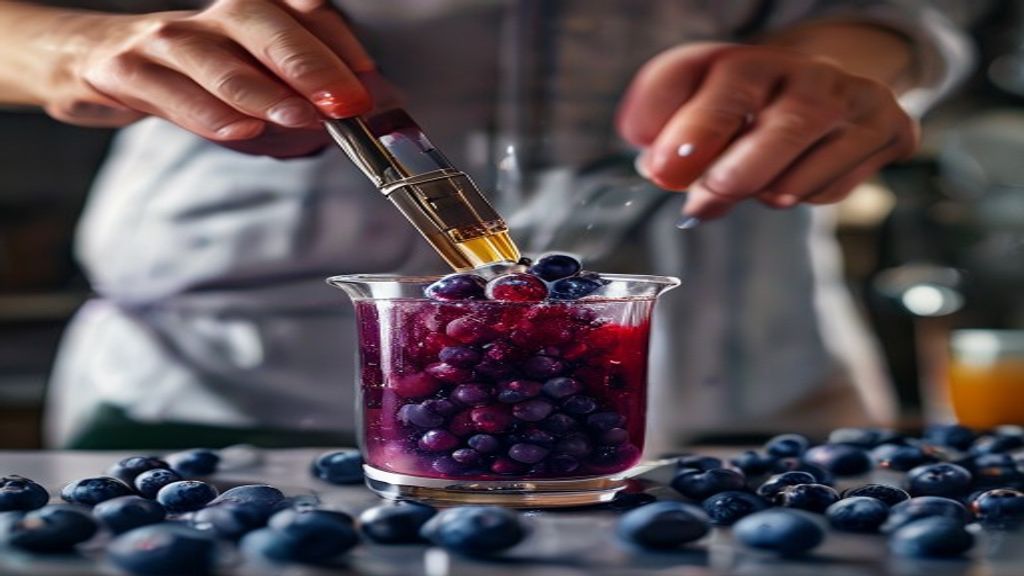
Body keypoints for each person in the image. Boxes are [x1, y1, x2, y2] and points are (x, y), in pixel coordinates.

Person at [0, 0, 975, 450]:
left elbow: (928, 16)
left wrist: (849, 58)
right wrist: (74, 47)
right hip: (222, 387)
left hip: (756, 382)